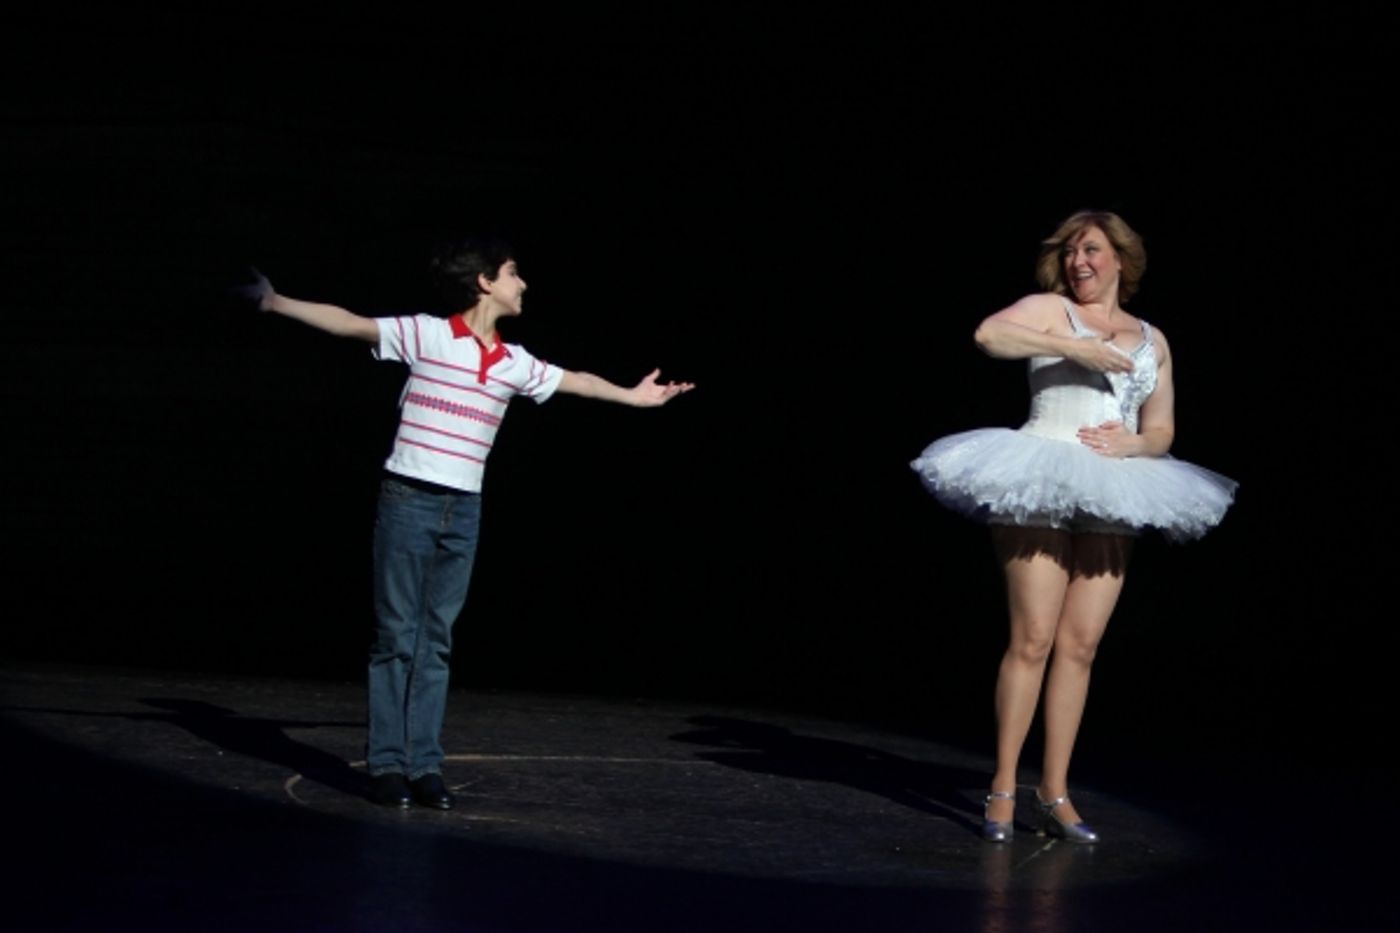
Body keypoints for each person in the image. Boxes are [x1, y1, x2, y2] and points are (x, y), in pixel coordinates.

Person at [240, 237, 693, 809]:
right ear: (484, 282)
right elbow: (352, 324)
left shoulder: (514, 362)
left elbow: (575, 379)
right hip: (410, 499)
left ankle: (425, 766)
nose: (522, 284)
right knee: (396, 637)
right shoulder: (429, 334)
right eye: (512, 273)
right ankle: (387, 765)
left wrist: (633, 397)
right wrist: (278, 302)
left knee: (435, 642)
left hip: (464, 509)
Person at [909, 211, 1235, 843]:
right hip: (1041, 468)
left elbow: (1163, 430)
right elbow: (988, 336)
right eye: (1069, 253)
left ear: (1120, 258)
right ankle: (1002, 788)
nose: (1078, 262)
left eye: (1090, 250)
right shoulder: (1050, 311)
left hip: (1113, 481)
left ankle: (1054, 792)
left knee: (1079, 646)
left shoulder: (1152, 338)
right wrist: (1073, 345)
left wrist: (1133, 445)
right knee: (1032, 637)